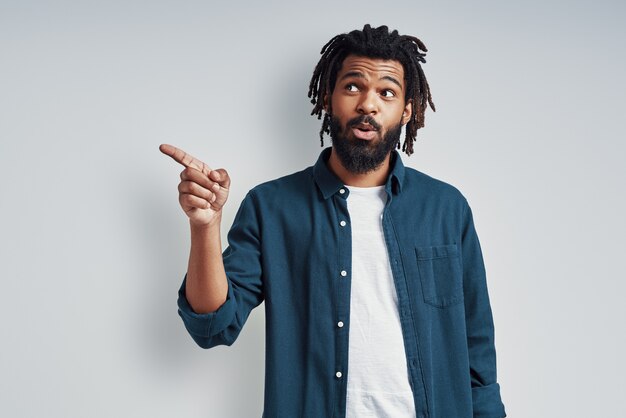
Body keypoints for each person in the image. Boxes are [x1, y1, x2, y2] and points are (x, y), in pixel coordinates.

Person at [160, 24, 506, 418]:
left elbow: (477, 350)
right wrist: (205, 226)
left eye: (387, 93)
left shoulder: (446, 209)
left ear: (407, 109)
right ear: (328, 97)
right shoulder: (272, 208)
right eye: (353, 86)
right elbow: (213, 325)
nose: (368, 105)